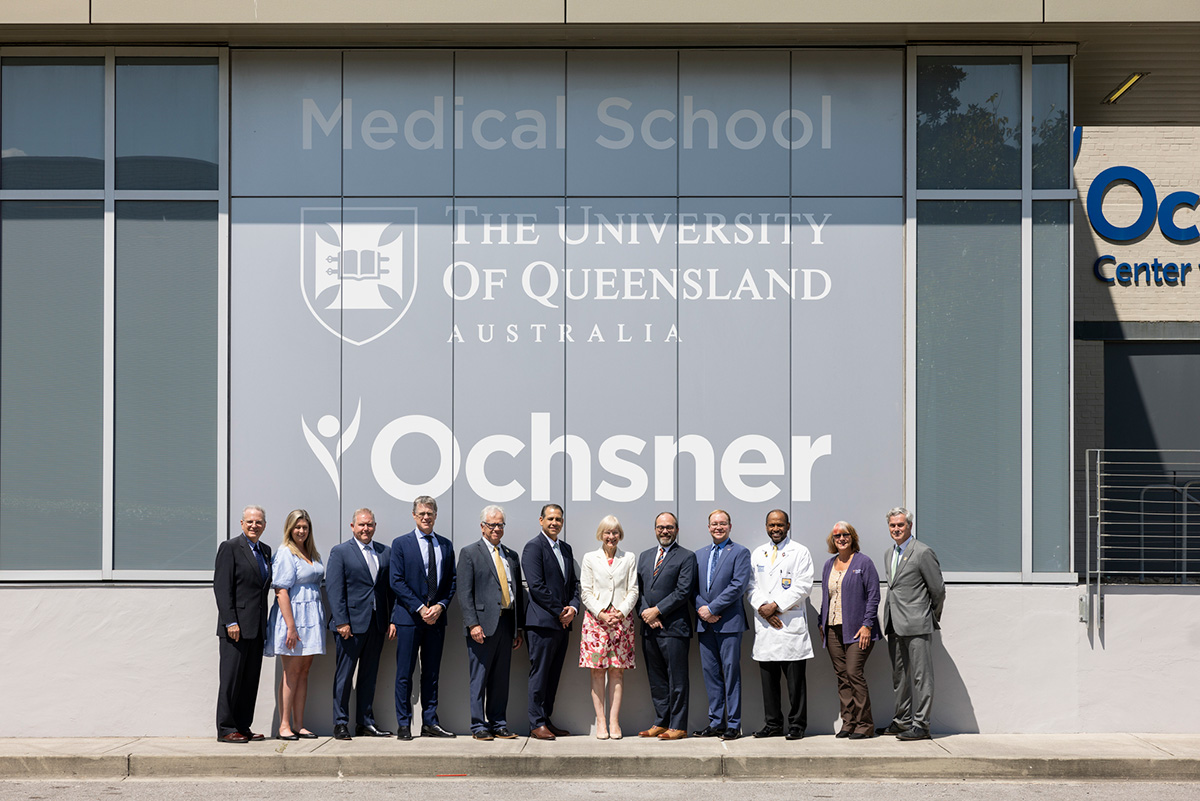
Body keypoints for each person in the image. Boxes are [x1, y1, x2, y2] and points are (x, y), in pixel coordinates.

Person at [390, 495, 457, 740]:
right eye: (422, 513)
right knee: (404, 674)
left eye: (430, 513)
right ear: (414, 516)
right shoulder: (401, 544)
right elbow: (396, 581)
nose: (426, 517)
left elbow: (451, 581)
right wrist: (420, 608)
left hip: (436, 619)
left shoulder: (446, 545)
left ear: (436, 516)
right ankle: (404, 724)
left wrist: (440, 606)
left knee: (431, 673)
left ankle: (430, 722)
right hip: (409, 618)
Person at [326, 507, 396, 741]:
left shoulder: (385, 553)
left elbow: (388, 591)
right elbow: (335, 591)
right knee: (344, 676)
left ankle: (365, 722)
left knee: (369, 675)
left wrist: (391, 619)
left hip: (377, 625)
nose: (366, 528)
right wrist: (341, 621)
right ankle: (340, 723)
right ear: (352, 526)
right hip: (350, 626)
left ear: (375, 526)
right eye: (361, 524)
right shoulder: (341, 552)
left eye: (370, 524)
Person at [458, 505, 524, 741]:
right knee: (480, 677)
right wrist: (472, 624)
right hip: (482, 626)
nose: (496, 529)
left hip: (506, 623)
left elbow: (518, 593)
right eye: (492, 524)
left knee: (500, 677)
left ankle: (498, 723)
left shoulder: (511, 555)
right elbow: (464, 593)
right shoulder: (469, 553)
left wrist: (518, 628)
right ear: (482, 527)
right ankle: (478, 725)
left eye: (500, 525)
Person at [879, 507, 945, 741]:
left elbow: (937, 590)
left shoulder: (923, 552)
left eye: (900, 525)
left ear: (909, 526)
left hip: (917, 624)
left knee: (921, 676)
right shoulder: (889, 553)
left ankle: (922, 724)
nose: (896, 529)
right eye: (892, 526)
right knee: (900, 676)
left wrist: (928, 616)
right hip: (894, 624)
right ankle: (902, 720)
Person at [747, 509, 814, 741]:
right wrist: (763, 609)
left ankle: (797, 725)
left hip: (789, 624)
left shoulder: (800, 552)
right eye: (771, 525)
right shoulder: (759, 553)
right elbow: (750, 586)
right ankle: (773, 723)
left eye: (780, 525)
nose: (775, 529)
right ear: (766, 526)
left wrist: (775, 606)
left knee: (796, 683)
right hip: (766, 625)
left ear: (788, 526)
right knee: (769, 682)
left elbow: (804, 586)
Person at [521, 503, 581, 740]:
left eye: (558, 519)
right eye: (550, 519)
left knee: (554, 675)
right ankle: (536, 723)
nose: (554, 523)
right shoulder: (533, 547)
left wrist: (573, 608)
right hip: (542, 624)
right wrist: (560, 611)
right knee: (540, 674)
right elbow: (536, 587)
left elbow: (574, 584)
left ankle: (546, 719)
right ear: (541, 520)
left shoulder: (565, 548)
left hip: (563, 624)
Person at [265, 509, 326, 740]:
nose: (301, 531)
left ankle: (299, 724)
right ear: (289, 529)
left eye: (305, 527)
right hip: (294, 618)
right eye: (297, 527)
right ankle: (284, 726)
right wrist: (291, 627)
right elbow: (281, 591)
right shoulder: (285, 553)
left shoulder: (311, 552)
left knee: (303, 672)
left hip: (312, 618)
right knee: (290, 672)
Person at [818, 520, 882, 740]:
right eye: (837, 536)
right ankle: (848, 723)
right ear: (832, 540)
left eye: (845, 535)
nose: (841, 539)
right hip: (833, 629)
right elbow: (827, 596)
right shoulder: (829, 564)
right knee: (842, 677)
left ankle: (865, 724)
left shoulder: (864, 563)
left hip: (857, 630)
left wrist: (867, 625)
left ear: (852, 537)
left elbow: (874, 596)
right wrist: (821, 622)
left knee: (854, 673)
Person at [214, 505, 272, 743]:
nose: (254, 526)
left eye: (258, 522)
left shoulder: (266, 551)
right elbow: (222, 588)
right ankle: (226, 728)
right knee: (231, 679)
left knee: (250, 680)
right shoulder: (230, 548)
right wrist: (230, 621)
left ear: (264, 525)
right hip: (235, 628)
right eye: (249, 521)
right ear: (241, 523)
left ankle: (243, 726)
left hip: (256, 627)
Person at [635, 512, 695, 741]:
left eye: (669, 527)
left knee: (677, 679)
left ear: (676, 530)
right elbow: (638, 590)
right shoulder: (645, 556)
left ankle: (678, 725)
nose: (664, 531)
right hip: (649, 628)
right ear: (655, 529)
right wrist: (645, 613)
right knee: (656, 678)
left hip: (674, 628)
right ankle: (661, 722)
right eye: (660, 527)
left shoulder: (686, 557)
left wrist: (657, 610)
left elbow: (683, 591)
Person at [693, 508, 752, 741]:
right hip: (704, 624)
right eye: (714, 524)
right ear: (708, 527)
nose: (718, 527)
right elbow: (693, 587)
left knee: (730, 673)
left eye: (723, 523)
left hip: (728, 623)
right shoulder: (699, 554)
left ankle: (733, 724)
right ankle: (716, 722)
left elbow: (738, 586)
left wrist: (712, 609)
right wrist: (702, 609)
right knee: (710, 675)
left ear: (730, 526)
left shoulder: (740, 552)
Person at [579, 515, 638, 740]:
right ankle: (601, 722)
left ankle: (614, 721)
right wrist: (602, 613)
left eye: (614, 532)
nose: (611, 536)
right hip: (596, 622)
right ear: (600, 534)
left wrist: (620, 613)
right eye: (607, 532)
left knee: (617, 672)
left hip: (622, 622)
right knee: (597, 672)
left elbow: (633, 590)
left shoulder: (629, 557)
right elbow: (585, 590)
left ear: (619, 535)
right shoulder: (589, 558)